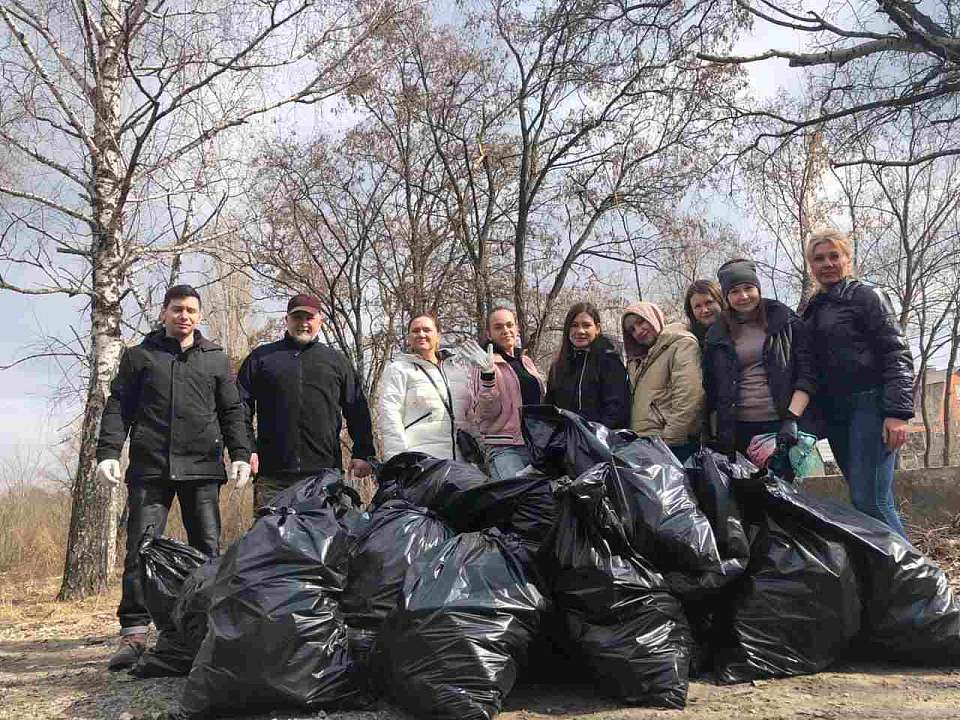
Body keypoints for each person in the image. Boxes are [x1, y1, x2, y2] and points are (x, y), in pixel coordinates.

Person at [95, 285, 252, 671]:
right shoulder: (139, 357)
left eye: (192, 311)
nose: (185, 316)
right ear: (163, 313)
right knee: (140, 550)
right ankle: (133, 633)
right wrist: (108, 452)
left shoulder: (215, 359)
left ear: (199, 316)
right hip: (151, 468)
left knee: (207, 550)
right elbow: (119, 407)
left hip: (202, 468)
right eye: (178, 309)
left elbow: (232, 411)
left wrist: (241, 454)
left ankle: (207, 632)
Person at [802, 229, 914, 538]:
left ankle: (915, 580)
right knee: (863, 498)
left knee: (872, 501)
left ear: (847, 259)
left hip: (871, 405)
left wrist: (897, 413)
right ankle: (893, 576)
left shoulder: (866, 296)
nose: (827, 264)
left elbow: (896, 351)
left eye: (834, 256)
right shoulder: (814, 307)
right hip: (839, 415)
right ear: (811, 265)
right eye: (819, 258)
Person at [237, 294, 375, 509]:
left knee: (326, 540)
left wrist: (363, 452)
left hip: (325, 476)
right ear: (287, 320)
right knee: (269, 540)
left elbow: (357, 409)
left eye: (309, 318)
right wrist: (247, 450)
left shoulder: (337, 361)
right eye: (297, 317)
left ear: (320, 320)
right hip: (273, 477)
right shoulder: (261, 358)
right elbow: (240, 408)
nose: (303, 323)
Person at [702, 259, 817, 458]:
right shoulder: (716, 334)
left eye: (748, 288)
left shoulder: (785, 321)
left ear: (758, 288)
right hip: (737, 429)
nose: (743, 296)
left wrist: (792, 419)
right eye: (735, 291)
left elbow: (807, 373)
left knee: (783, 488)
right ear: (726, 297)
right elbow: (712, 388)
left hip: (782, 424)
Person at [460, 307, 546, 480]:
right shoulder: (483, 364)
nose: (506, 331)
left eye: (509, 325)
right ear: (489, 334)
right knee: (516, 500)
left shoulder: (526, 361)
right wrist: (488, 375)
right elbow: (484, 413)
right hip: (505, 447)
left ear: (517, 329)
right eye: (498, 327)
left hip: (536, 444)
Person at [621, 301, 705, 463]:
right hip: (646, 444)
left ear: (653, 317)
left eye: (641, 322)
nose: (638, 331)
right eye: (632, 329)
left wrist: (671, 438)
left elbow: (689, 395)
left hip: (672, 445)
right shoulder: (638, 361)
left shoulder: (680, 344)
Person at [378, 314, 465, 460]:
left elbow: (470, 417)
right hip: (423, 463)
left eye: (427, 330)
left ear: (438, 335)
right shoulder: (399, 369)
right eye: (415, 331)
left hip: (462, 463)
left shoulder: (457, 370)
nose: (421, 334)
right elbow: (390, 416)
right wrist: (398, 461)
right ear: (409, 338)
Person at [544, 301, 631, 429]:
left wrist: (592, 435)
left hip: (601, 441)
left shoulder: (609, 361)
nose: (580, 331)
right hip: (564, 441)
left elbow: (616, 409)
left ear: (597, 328)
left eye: (586, 325)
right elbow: (550, 407)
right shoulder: (558, 366)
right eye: (574, 325)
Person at [683, 279, 724, 346]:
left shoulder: (739, 328)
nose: (705, 310)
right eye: (697, 306)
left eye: (709, 302)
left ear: (720, 301)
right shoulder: (691, 342)